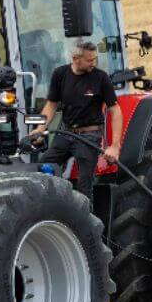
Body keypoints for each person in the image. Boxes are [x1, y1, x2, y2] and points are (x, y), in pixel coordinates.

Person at [28, 40, 123, 201]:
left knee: (84, 186)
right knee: (43, 168)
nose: (94, 62)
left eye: (95, 59)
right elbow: (51, 105)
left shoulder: (101, 78)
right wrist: (40, 128)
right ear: (75, 58)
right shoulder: (60, 74)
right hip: (65, 132)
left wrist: (114, 146)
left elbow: (115, 111)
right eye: (89, 60)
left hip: (89, 135)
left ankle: (87, 222)